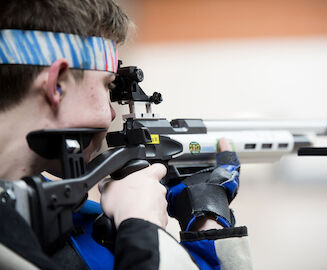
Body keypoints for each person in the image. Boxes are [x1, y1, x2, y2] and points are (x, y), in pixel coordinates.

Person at [0, 0, 252, 269]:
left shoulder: (56, 215)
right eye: (108, 85)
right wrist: (142, 224)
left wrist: (207, 222)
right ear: (57, 85)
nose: (110, 113)